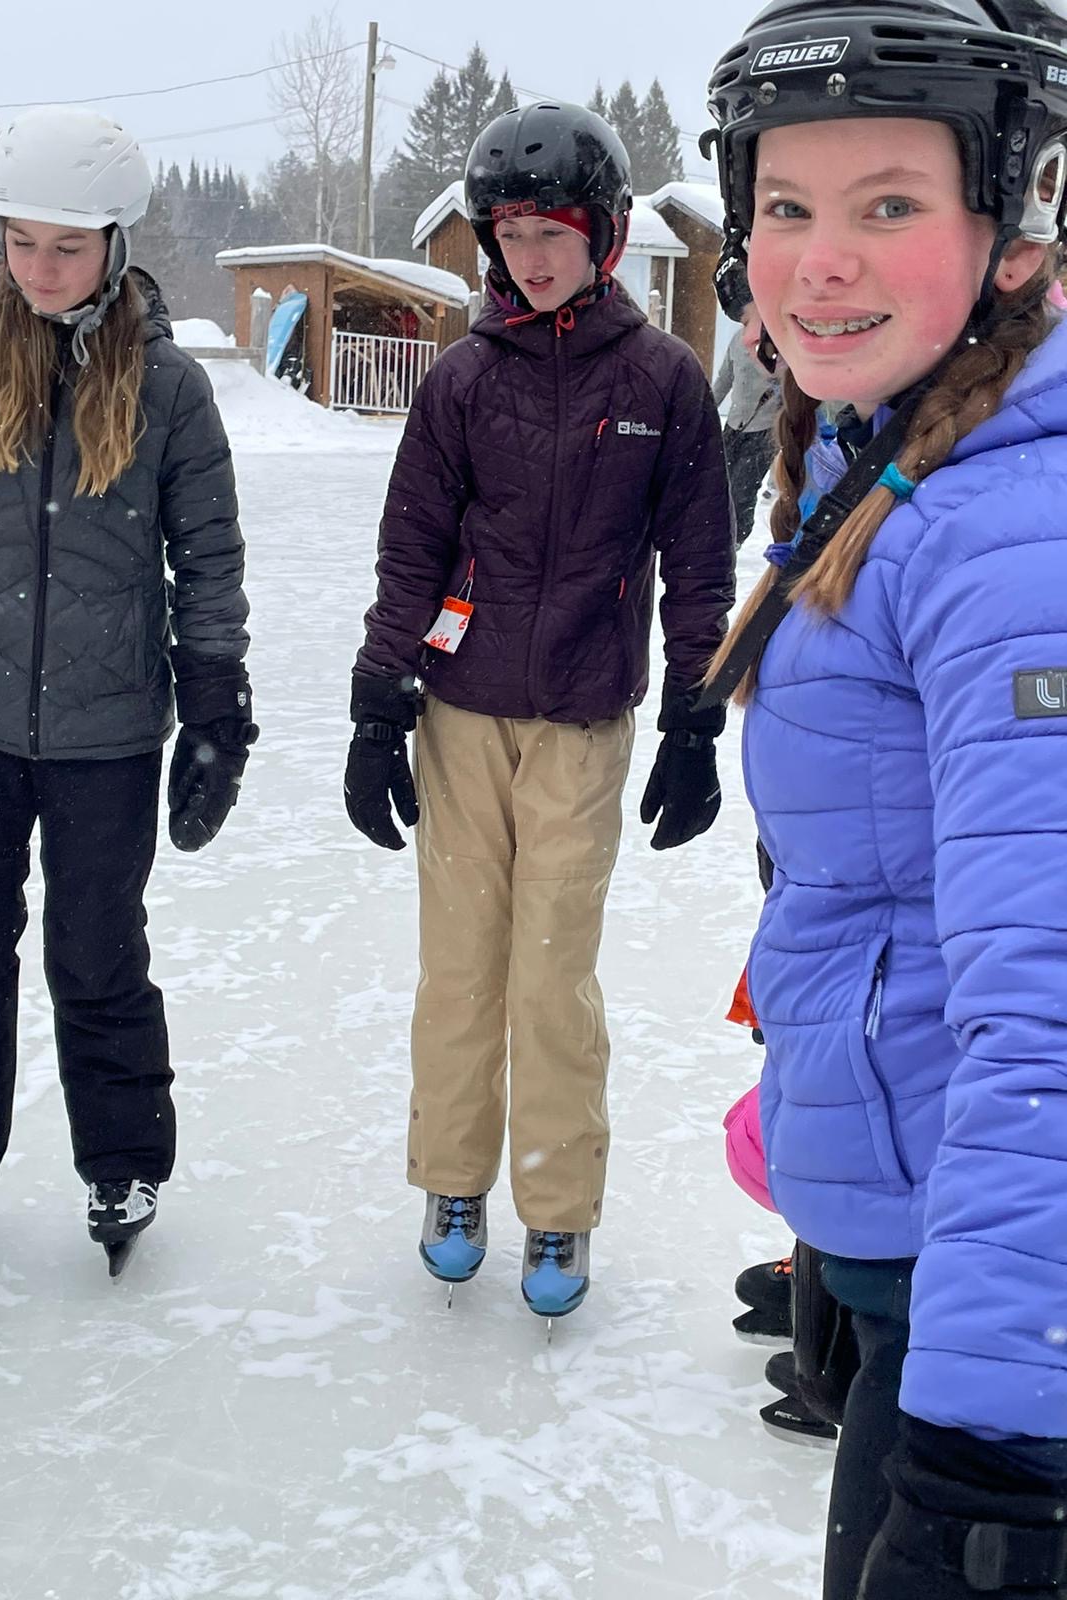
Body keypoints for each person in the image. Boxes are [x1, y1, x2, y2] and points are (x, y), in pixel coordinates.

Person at [704, 1, 1067, 1594]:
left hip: (995, 1336)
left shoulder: (1011, 543)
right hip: (918, 1235)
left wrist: (1002, 1444)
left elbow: (1050, 1008)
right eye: (788, 205)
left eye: (891, 203)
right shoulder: (898, 456)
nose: (820, 262)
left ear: (1020, 225)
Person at [345, 100, 735, 1320]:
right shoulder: (461, 381)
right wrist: (377, 703)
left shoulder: (663, 379)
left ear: (604, 234)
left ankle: (558, 1202)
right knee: (460, 968)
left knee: (553, 974)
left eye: (552, 231)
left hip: (583, 718)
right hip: (460, 715)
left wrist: (694, 717)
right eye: (509, 234)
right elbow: (412, 550)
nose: (530, 257)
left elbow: (700, 563)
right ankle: (453, 1183)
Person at [0, 105, 256, 1271]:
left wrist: (218, 709)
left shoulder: (169, 386)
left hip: (110, 732)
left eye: (68, 246)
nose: (40, 268)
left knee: (98, 954)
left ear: (116, 244)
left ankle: (124, 1161)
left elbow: (208, 558)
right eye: (22, 242)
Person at [712, 255, 781, 546]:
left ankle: (736, 540)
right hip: (735, 426)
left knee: (743, 490)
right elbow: (723, 381)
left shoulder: (779, 343)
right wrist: (703, 409)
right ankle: (719, 534)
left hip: (764, 431)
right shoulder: (736, 342)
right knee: (720, 482)